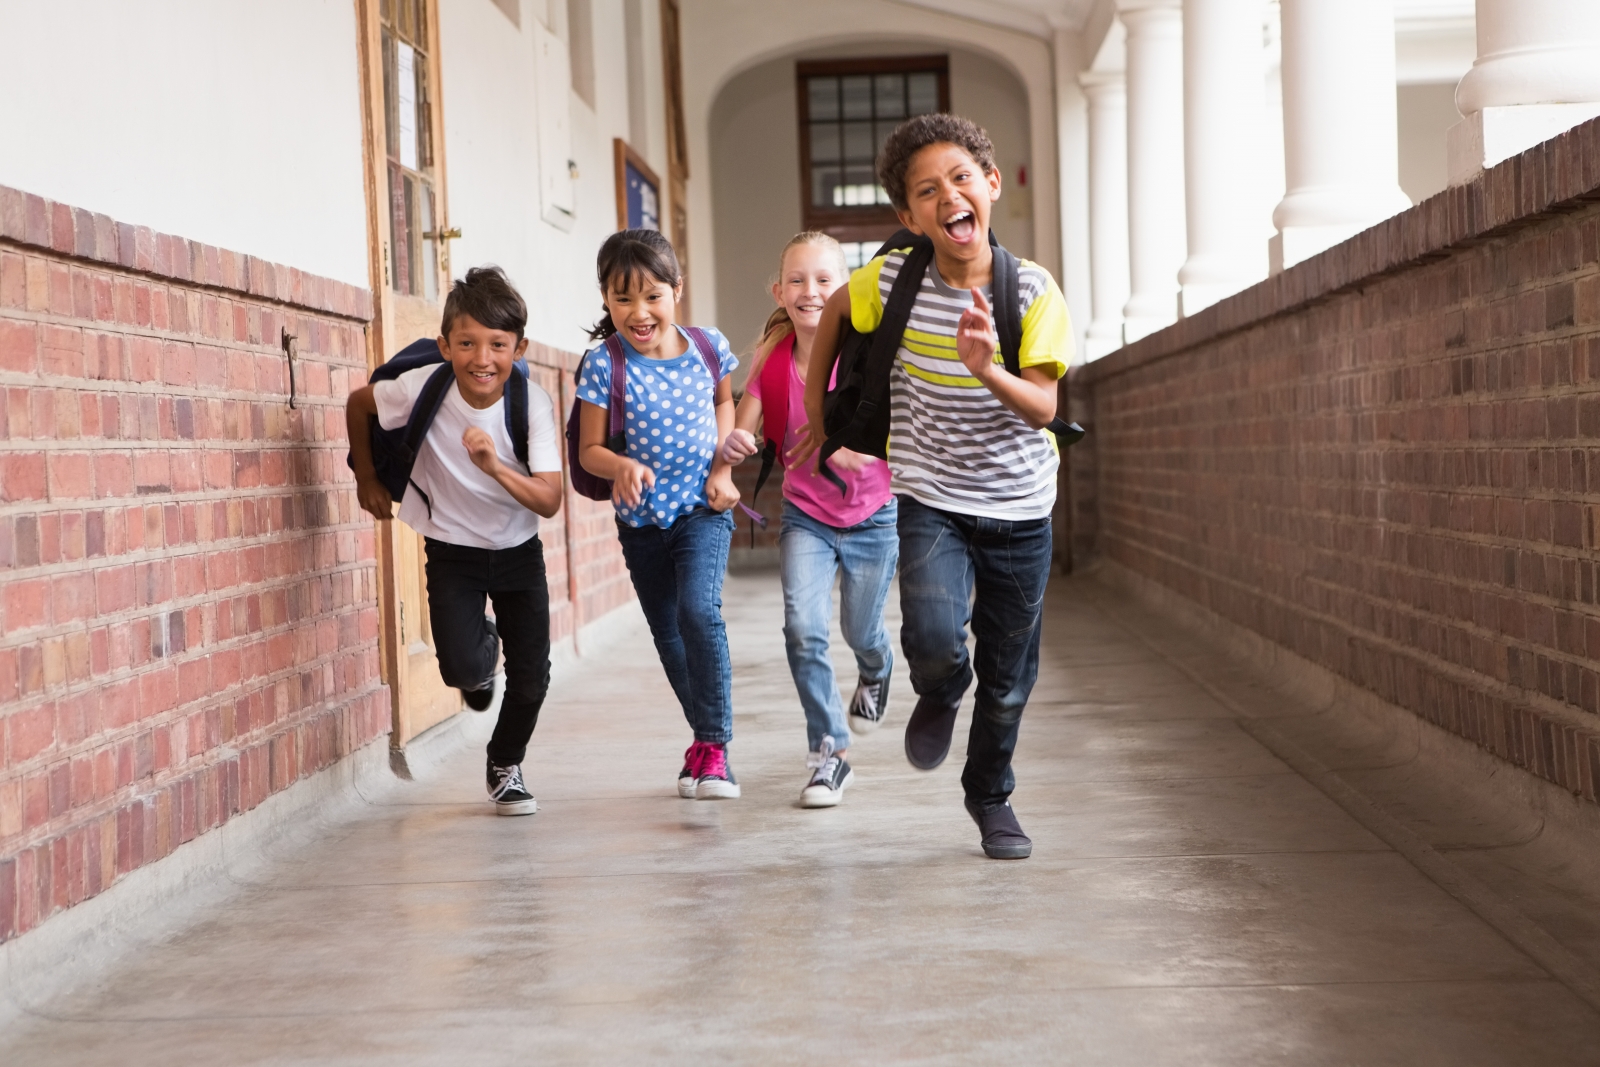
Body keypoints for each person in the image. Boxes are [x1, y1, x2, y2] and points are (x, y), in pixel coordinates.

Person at [793, 114, 1074, 859]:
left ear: (989, 185)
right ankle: (943, 687)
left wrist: (987, 366)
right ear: (909, 216)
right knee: (934, 636)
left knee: (1010, 677)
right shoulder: (890, 279)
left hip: (1020, 506)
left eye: (960, 178)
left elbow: (1045, 405)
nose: (948, 195)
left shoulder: (1035, 290)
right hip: (933, 496)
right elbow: (828, 324)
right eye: (927, 189)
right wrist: (820, 415)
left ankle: (990, 795)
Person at [346, 266, 564, 817]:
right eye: (466, 343)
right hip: (452, 550)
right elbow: (358, 404)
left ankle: (505, 764)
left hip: (518, 550)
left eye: (497, 344)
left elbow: (548, 499)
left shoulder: (531, 404)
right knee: (463, 671)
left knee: (532, 679)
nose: (481, 358)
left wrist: (494, 467)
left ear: (520, 347)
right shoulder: (424, 386)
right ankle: (480, 644)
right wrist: (367, 478)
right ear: (445, 344)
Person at [719, 233, 896, 808]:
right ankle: (829, 752)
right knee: (803, 628)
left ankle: (877, 667)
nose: (810, 291)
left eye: (824, 280)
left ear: (845, 289)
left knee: (859, 630)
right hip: (807, 518)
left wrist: (852, 450)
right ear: (778, 290)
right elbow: (744, 428)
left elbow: (902, 432)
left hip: (872, 514)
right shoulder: (772, 358)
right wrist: (736, 445)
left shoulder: (865, 354)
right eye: (796, 280)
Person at [574, 229, 744, 800]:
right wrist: (618, 466)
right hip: (641, 522)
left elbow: (726, 401)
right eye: (623, 299)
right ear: (605, 299)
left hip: (702, 509)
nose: (639, 312)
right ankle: (702, 739)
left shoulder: (707, 345)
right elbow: (589, 450)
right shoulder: (603, 363)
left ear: (677, 289)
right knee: (669, 636)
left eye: (652, 296)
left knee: (699, 612)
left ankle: (715, 749)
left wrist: (723, 468)